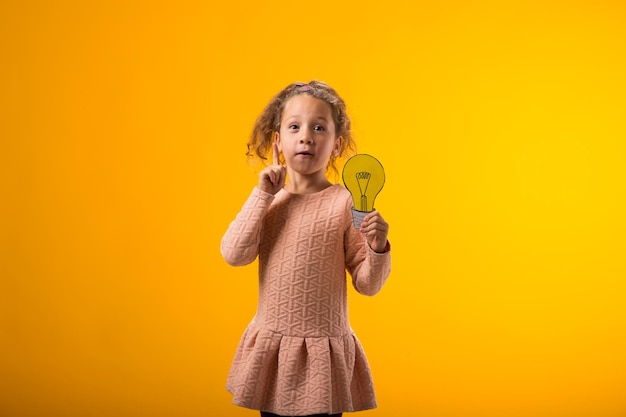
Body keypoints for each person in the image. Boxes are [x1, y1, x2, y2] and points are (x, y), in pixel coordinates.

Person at [221, 80, 392, 417]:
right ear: (278, 142)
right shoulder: (267, 202)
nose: (306, 136)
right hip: (274, 351)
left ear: (337, 144)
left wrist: (378, 247)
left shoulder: (346, 202)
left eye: (319, 127)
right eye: (295, 126)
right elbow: (234, 254)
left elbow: (367, 284)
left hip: (321, 355)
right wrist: (262, 194)